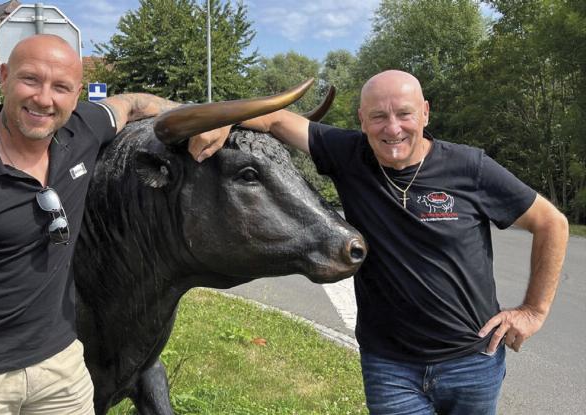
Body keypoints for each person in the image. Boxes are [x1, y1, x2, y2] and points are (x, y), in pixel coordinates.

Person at [191, 70, 569, 414]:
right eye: (378, 116)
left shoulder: (470, 168)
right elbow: (275, 119)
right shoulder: (348, 154)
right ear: (362, 120)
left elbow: (551, 223)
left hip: (472, 363)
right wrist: (222, 119)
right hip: (390, 367)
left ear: (425, 113)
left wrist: (533, 311)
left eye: (404, 114)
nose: (392, 128)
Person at [0, 34, 190, 415]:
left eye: (61, 87)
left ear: (77, 95)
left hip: (60, 365)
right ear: (4, 77)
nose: (44, 99)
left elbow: (133, 104)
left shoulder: (82, 131)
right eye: (30, 79)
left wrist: (201, 118)